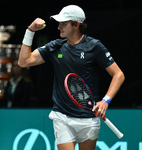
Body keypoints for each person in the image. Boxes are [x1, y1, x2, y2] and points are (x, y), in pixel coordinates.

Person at [18, 5, 125, 150]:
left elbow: (118, 75)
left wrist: (106, 101)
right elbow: (24, 62)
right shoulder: (55, 46)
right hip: (62, 117)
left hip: (89, 119)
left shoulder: (94, 46)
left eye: (64, 23)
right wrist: (30, 31)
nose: (59, 27)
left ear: (76, 24)